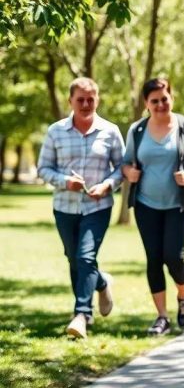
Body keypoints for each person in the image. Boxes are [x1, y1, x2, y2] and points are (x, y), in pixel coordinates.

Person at [122, 78, 184, 335]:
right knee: (154, 259)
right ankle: (161, 317)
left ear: (171, 98)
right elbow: (126, 162)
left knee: (173, 257)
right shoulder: (137, 130)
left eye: (165, 99)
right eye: (155, 101)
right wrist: (129, 172)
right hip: (145, 205)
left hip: (179, 205)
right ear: (146, 103)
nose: (161, 104)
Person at [37, 77, 124, 339]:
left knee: (85, 257)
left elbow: (123, 166)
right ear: (70, 101)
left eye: (91, 99)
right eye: (80, 99)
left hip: (98, 207)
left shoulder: (110, 131)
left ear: (97, 100)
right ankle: (102, 282)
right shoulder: (56, 131)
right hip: (64, 206)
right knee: (74, 259)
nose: (86, 104)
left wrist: (108, 185)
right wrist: (65, 182)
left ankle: (82, 314)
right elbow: (43, 168)